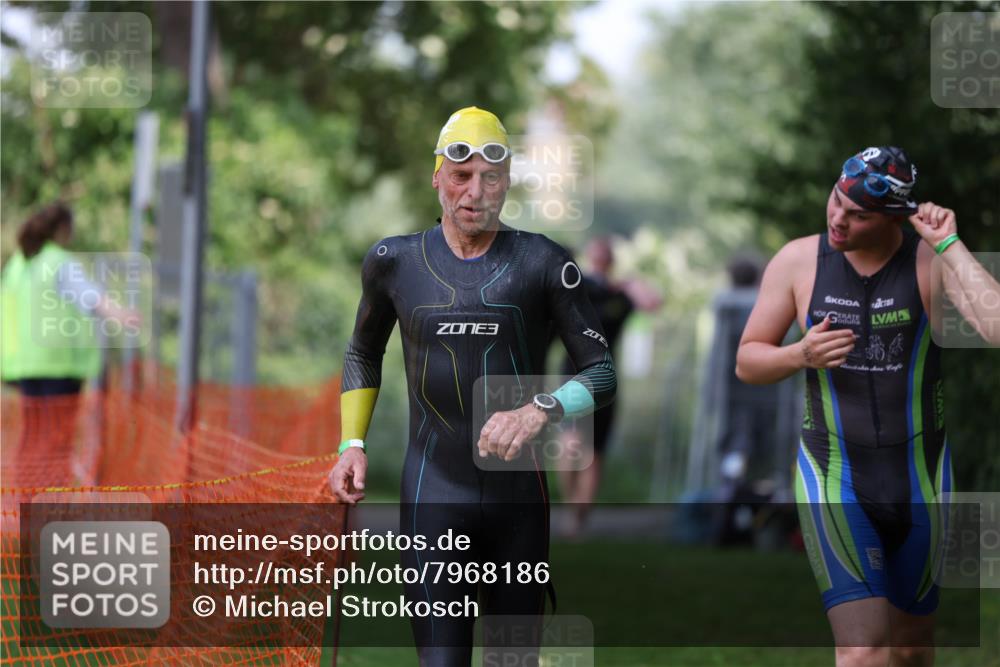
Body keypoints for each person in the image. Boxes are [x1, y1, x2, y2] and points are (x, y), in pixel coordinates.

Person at [326, 106, 617, 666]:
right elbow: (363, 350)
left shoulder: (543, 262)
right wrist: (352, 444)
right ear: (437, 175)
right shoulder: (394, 262)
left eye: (491, 178)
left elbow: (601, 372)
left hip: (518, 500)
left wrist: (540, 410)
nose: (475, 193)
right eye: (461, 176)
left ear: (507, 183)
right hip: (432, 492)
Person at [735, 146, 1000, 667]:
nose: (838, 218)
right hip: (833, 475)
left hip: (920, 478)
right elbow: (747, 362)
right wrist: (799, 354)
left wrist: (950, 244)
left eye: (858, 215)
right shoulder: (798, 261)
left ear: (893, 218)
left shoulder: (928, 262)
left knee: (911, 649)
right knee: (862, 653)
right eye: (837, 200)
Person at [1, 202, 138, 486]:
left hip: (25, 367)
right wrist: (119, 313)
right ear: (62, 229)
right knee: (56, 440)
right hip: (59, 366)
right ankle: (48, 501)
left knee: (33, 436)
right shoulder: (59, 262)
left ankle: (25, 499)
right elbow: (88, 295)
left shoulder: (19, 264)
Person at [556, 236, 661, 537]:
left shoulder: (619, 295)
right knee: (572, 445)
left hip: (603, 373)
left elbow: (652, 303)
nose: (600, 261)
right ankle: (572, 509)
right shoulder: (579, 287)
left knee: (593, 451)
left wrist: (629, 284)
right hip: (574, 373)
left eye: (604, 257)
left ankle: (578, 519)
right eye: (597, 256)